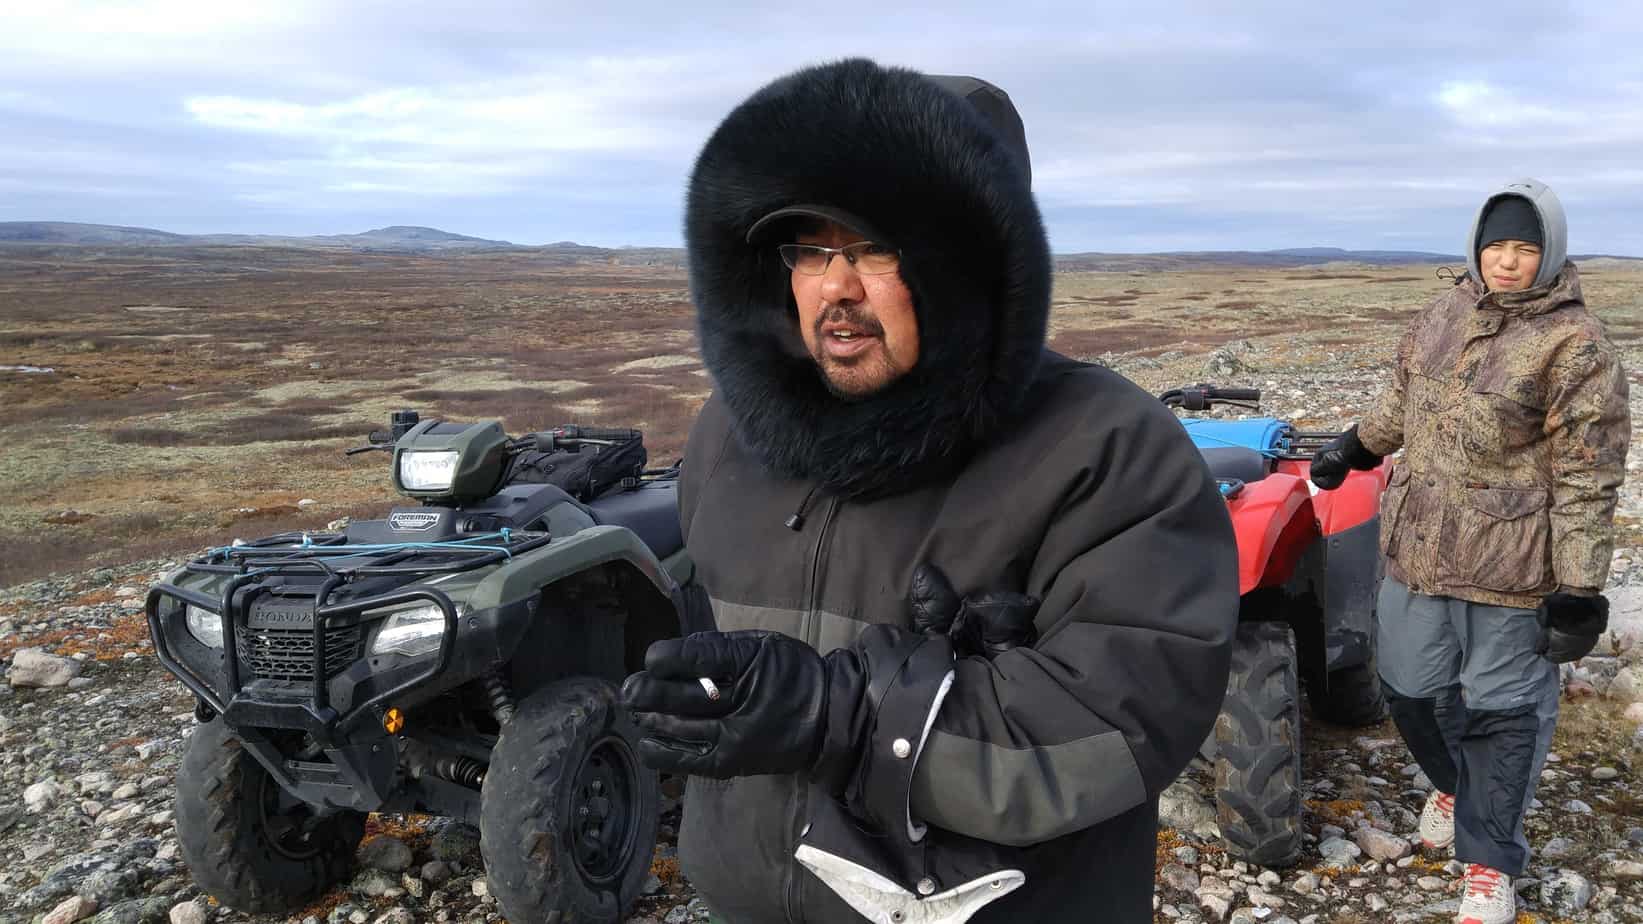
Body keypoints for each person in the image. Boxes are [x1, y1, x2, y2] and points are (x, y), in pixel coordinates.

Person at [618, 59, 1240, 924]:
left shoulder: (1110, 449)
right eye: (811, 248)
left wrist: (843, 713)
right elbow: (714, 641)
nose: (835, 286)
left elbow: (1119, 721)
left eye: (877, 246)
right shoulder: (731, 434)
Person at [1309, 178, 1629, 924]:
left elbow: (1588, 475)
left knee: (1503, 711)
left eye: (1525, 249)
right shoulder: (1442, 312)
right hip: (1418, 550)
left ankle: (1488, 861)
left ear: (1548, 253)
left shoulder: (1575, 346)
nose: (1508, 263)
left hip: (1513, 569)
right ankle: (1455, 784)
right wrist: (1354, 448)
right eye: (1496, 246)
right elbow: (1403, 401)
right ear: (1475, 249)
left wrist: (1579, 589)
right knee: (1410, 690)